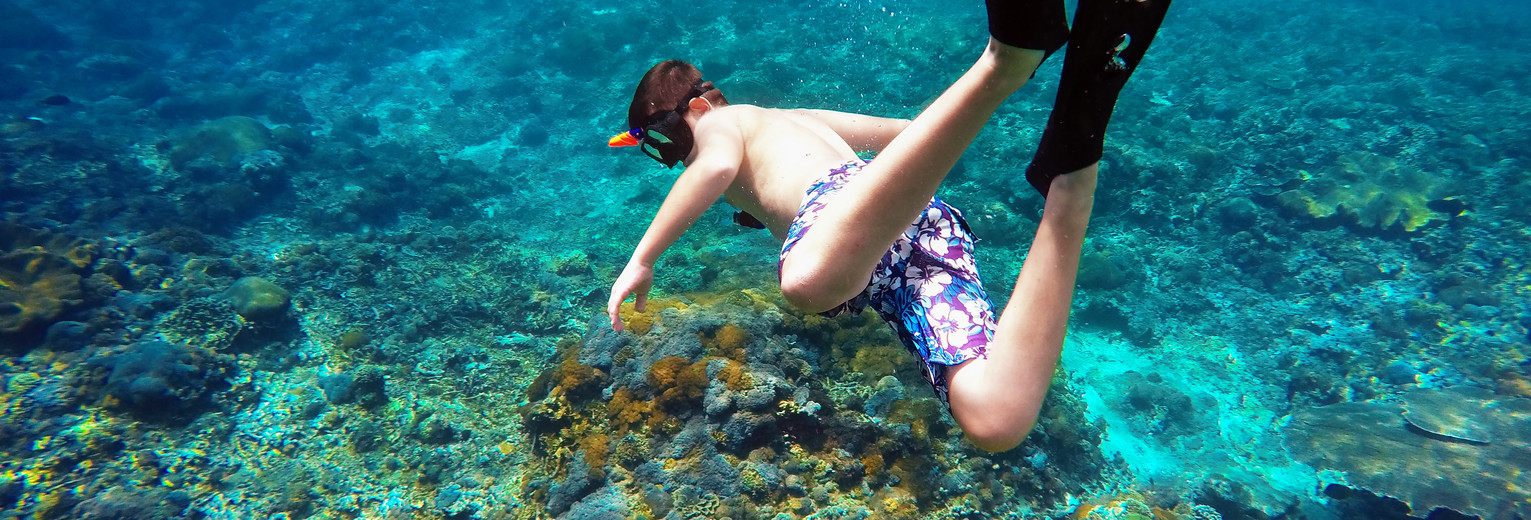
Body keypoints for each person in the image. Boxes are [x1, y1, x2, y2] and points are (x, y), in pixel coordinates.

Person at [606, 0, 1170, 452]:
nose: (678, 159)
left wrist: (644, 257)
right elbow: (910, 133)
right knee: (993, 417)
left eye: (668, 142)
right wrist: (785, 198)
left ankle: (1008, 59)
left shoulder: (719, 125)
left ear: (695, 111)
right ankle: (1070, 179)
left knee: (804, 282)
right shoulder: (790, 119)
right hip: (911, 242)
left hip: (859, 228)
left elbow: (717, 166)